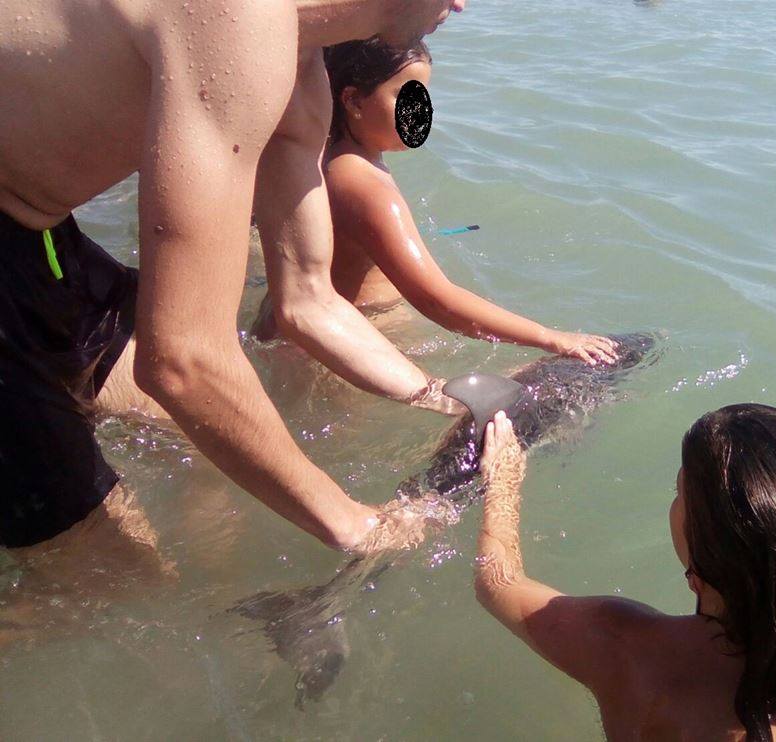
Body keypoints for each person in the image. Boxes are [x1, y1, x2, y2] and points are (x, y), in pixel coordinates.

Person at [0, 0, 467, 558]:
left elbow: (308, 300)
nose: (460, 3)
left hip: (41, 235)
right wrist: (352, 524)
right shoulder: (237, 20)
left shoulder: (298, 64)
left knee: (194, 441)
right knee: (115, 581)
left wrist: (442, 400)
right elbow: (184, 361)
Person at [475, 405, 776, 740]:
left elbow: (497, 583)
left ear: (706, 573)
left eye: (679, 491)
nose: (675, 498)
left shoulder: (627, 650)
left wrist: (503, 482)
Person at [253, 38, 619, 367]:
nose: (419, 110)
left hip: (297, 331)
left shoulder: (324, 157)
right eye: (405, 95)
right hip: (325, 349)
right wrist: (552, 338)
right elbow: (437, 300)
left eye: (423, 95)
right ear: (352, 100)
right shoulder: (364, 187)